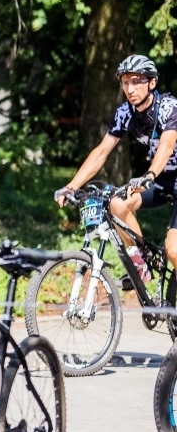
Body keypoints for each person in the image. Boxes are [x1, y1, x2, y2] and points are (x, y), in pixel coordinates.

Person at [55, 54, 177, 281]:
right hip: (162, 179)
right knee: (117, 204)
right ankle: (143, 263)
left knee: (174, 250)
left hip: (158, 174)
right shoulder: (125, 113)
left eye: (137, 81)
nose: (130, 88)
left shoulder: (169, 107)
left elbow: (167, 145)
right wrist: (71, 186)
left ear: (152, 83)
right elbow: (102, 152)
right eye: (125, 82)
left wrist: (149, 175)